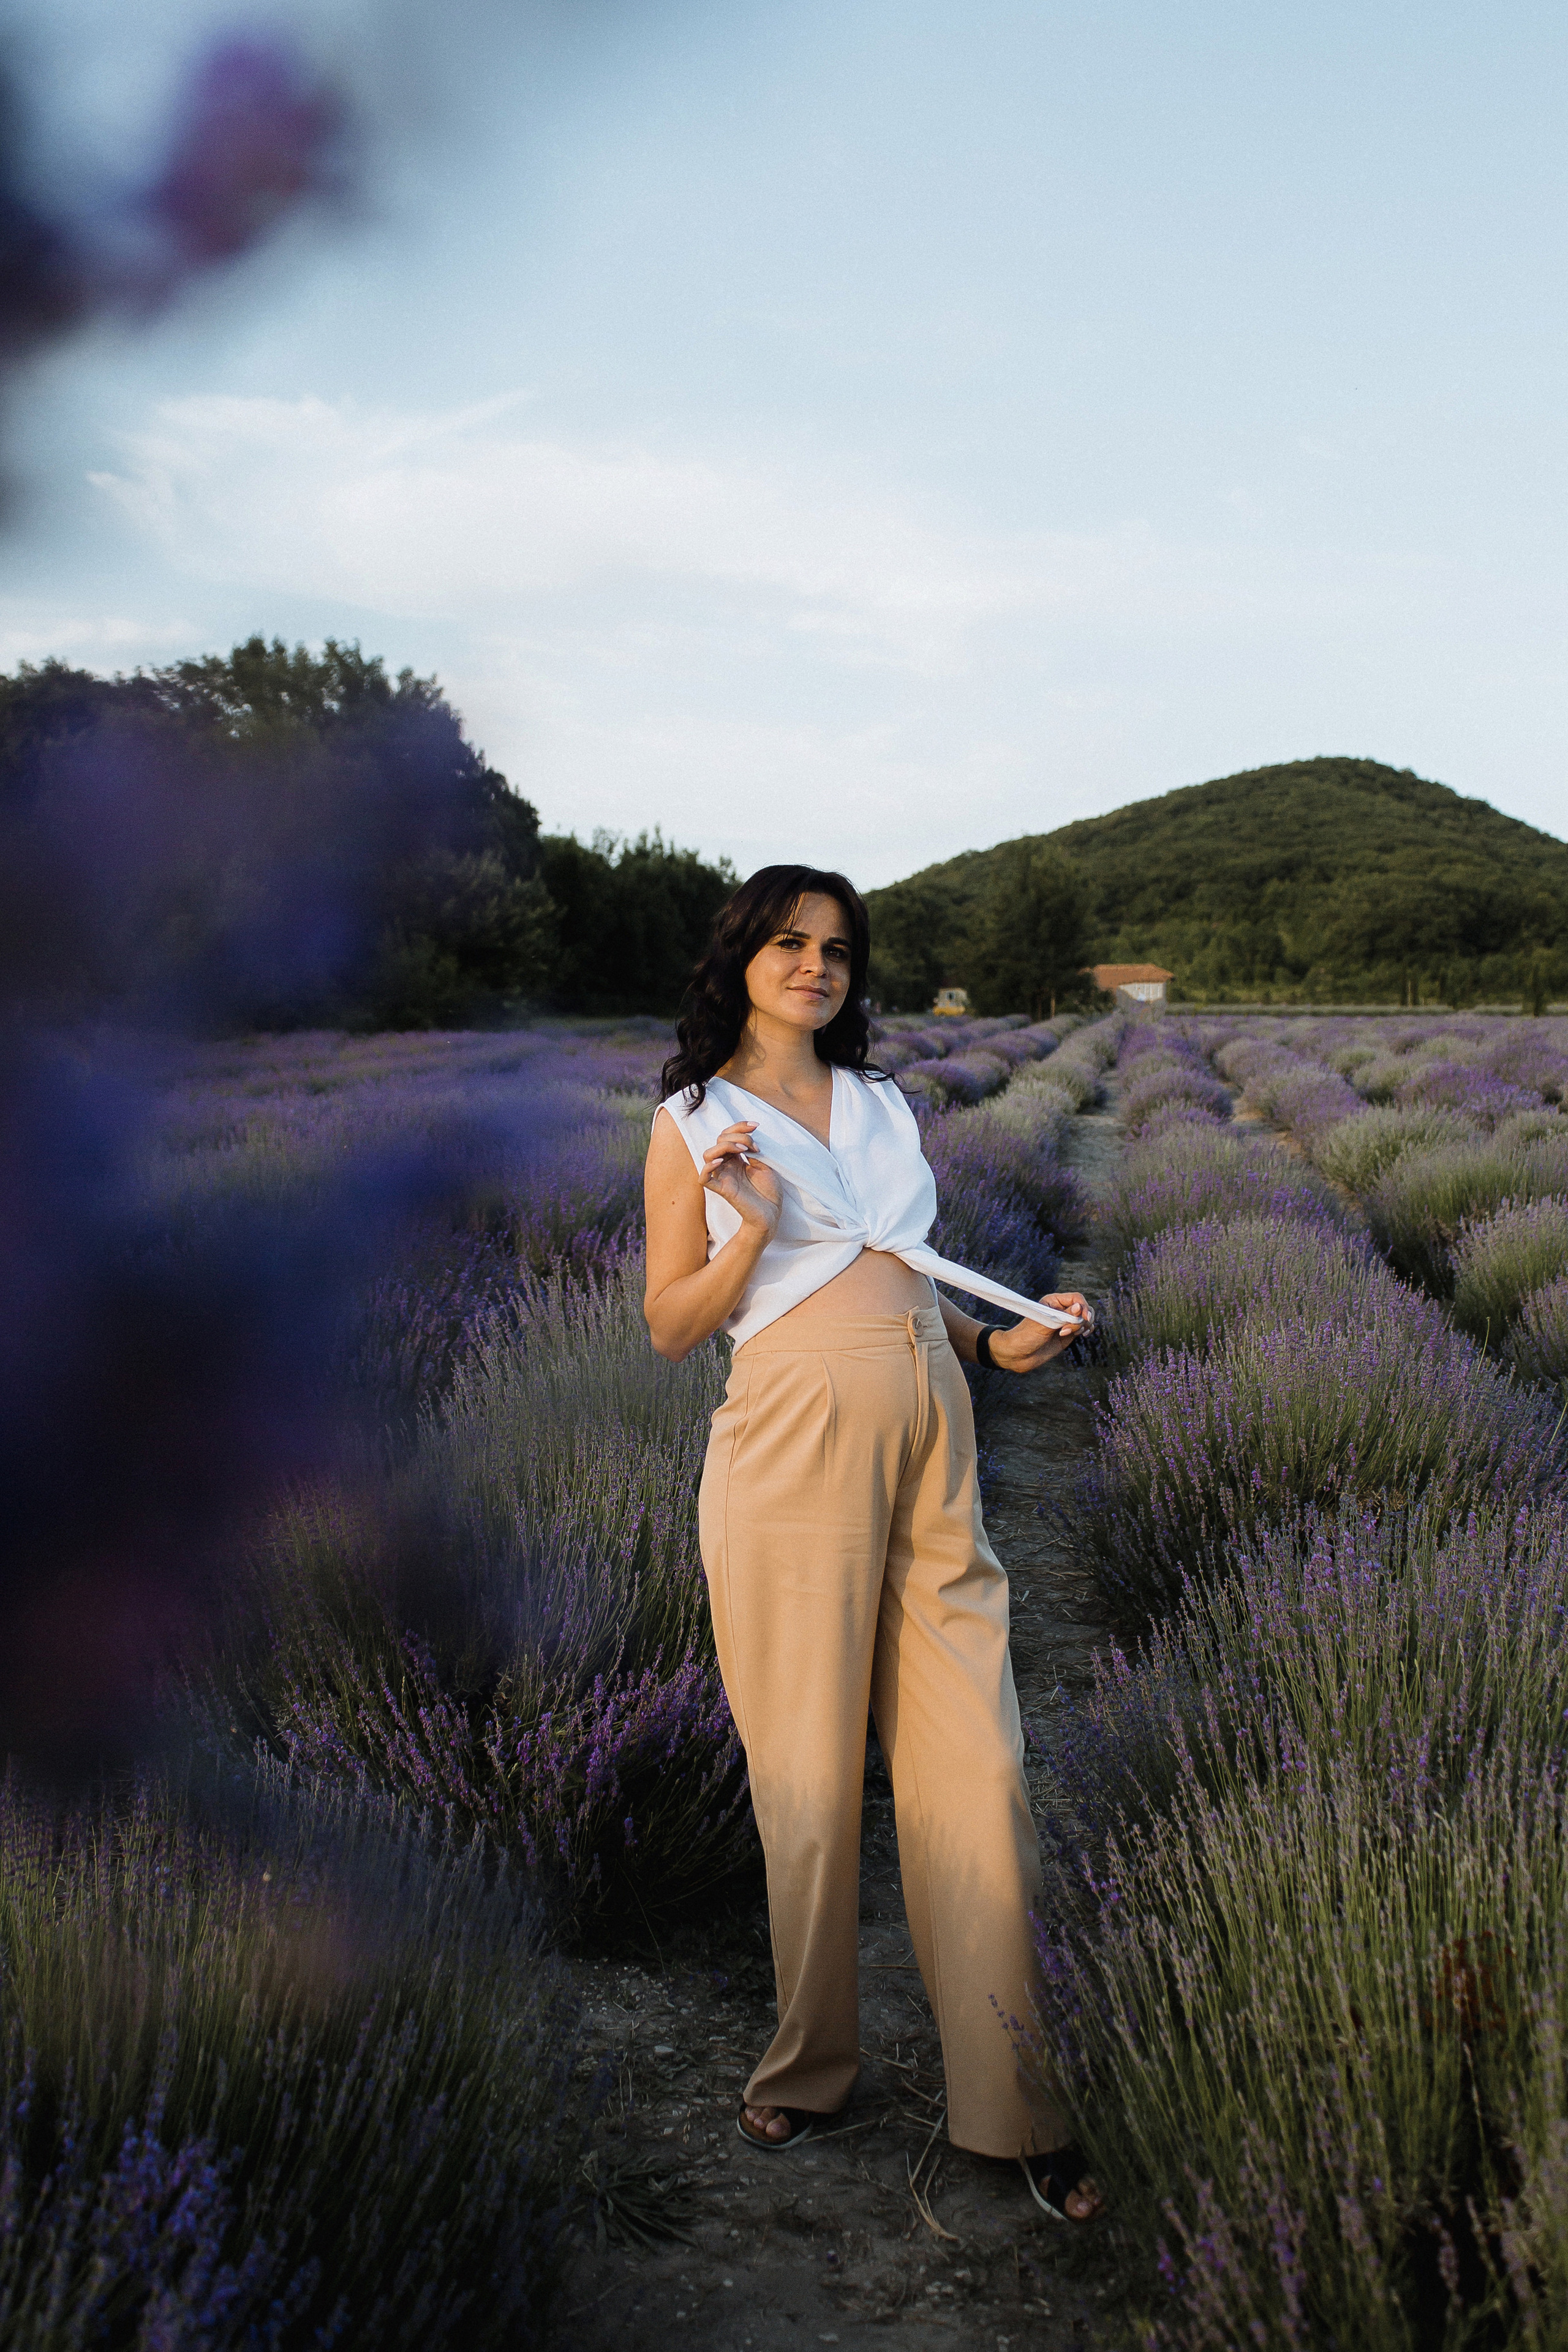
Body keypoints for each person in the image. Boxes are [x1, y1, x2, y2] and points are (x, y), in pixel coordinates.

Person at [643, 863, 1102, 2225]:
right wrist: (751, 1235)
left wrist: (997, 1344)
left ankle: (1015, 2102)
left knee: (982, 1765)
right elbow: (672, 1321)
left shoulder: (887, 1103)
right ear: (740, 956)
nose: (814, 966)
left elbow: (901, 1265)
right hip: (788, 1434)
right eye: (788, 943)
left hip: (932, 1413)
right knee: (806, 1770)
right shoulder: (689, 1120)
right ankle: (810, 2062)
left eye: (835, 948)